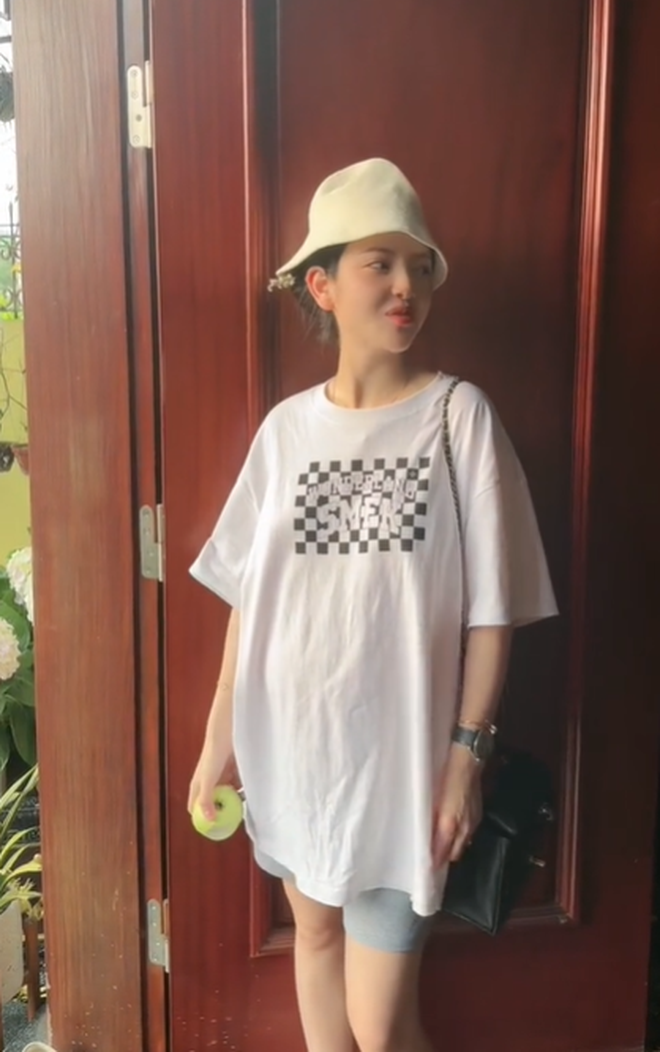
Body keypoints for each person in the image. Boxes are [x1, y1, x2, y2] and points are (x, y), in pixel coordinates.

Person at [187, 157, 558, 1052]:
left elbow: (493, 613)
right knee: (313, 942)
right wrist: (215, 746)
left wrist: (465, 759)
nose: (405, 287)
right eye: (380, 263)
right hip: (292, 757)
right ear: (323, 285)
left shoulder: (458, 420)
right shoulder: (286, 432)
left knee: (381, 1025)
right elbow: (251, 604)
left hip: (405, 774)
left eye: (418, 266)